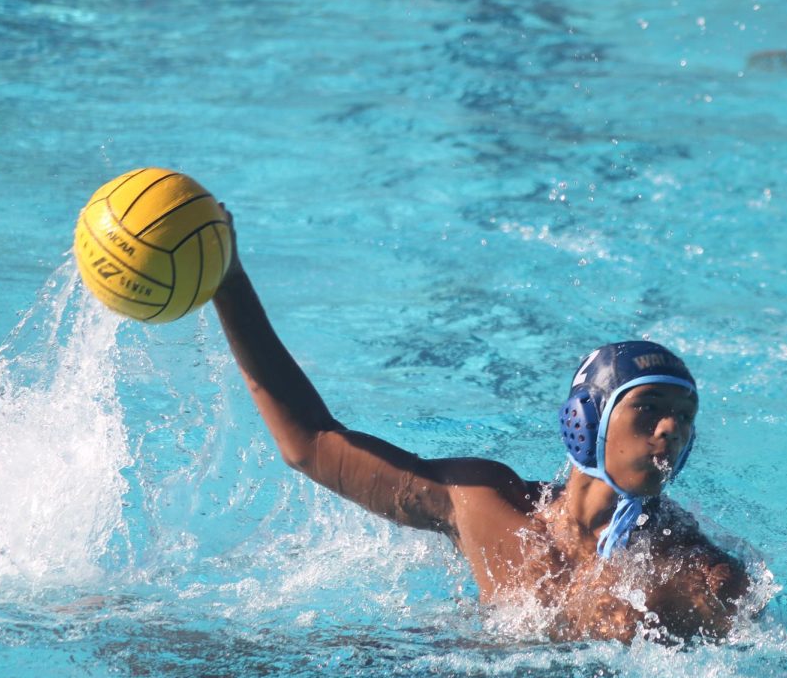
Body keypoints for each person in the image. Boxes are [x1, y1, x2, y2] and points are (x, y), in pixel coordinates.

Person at [210, 210, 752, 643]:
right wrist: (228, 283)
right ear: (588, 419)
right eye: (650, 407)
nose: (670, 429)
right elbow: (310, 444)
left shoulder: (686, 566)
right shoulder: (483, 502)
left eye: (685, 418)